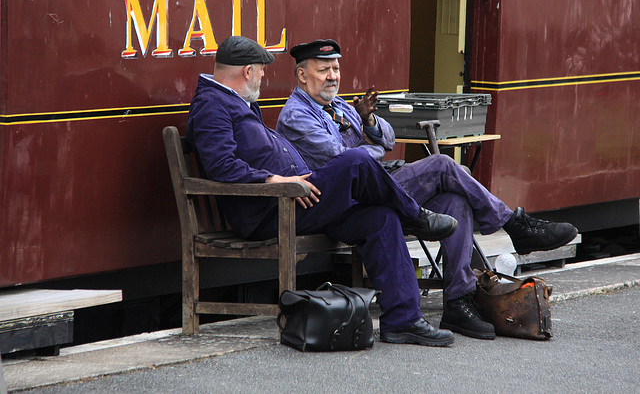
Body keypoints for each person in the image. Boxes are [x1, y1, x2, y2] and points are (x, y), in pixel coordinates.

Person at [276, 38, 579, 340]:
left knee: (454, 201)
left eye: (336, 68)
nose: (333, 76)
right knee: (443, 165)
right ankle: (513, 224)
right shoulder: (296, 116)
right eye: (323, 69)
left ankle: (458, 302)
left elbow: (388, 139)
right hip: (345, 199)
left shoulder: (339, 106)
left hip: (373, 185)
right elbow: (348, 160)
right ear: (302, 75)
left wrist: (368, 120)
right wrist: (371, 148)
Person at [187, 35, 459, 347]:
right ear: (248, 71)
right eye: (262, 70)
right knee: (356, 160)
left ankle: (403, 321)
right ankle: (413, 215)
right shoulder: (212, 106)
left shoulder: (235, 102)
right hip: (273, 210)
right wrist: (273, 181)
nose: (264, 76)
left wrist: (288, 178)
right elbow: (221, 166)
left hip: (295, 200)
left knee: (380, 218)